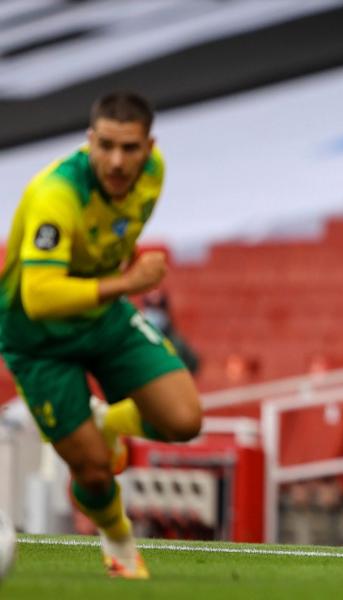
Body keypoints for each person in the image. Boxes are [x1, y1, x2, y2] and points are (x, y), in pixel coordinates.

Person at [0, 92, 202, 578]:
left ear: (148, 145)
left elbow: (115, 232)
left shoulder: (154, 173)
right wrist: (127, 283)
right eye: (105, 145)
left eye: (129, 148)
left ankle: (109, 421)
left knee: (185, 420)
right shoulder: (57, 194)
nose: (116, 161)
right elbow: (41, 296)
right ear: (89, 140)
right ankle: (119, 544)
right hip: (37, 339)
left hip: (102, 319)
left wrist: (117, 281)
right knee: (92, 469)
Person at [142, 288, 200, 374]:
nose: (153, 314)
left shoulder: (176, 341)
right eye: (150, 308)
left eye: (158, 309)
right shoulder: (140, 338)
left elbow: (193, 363)